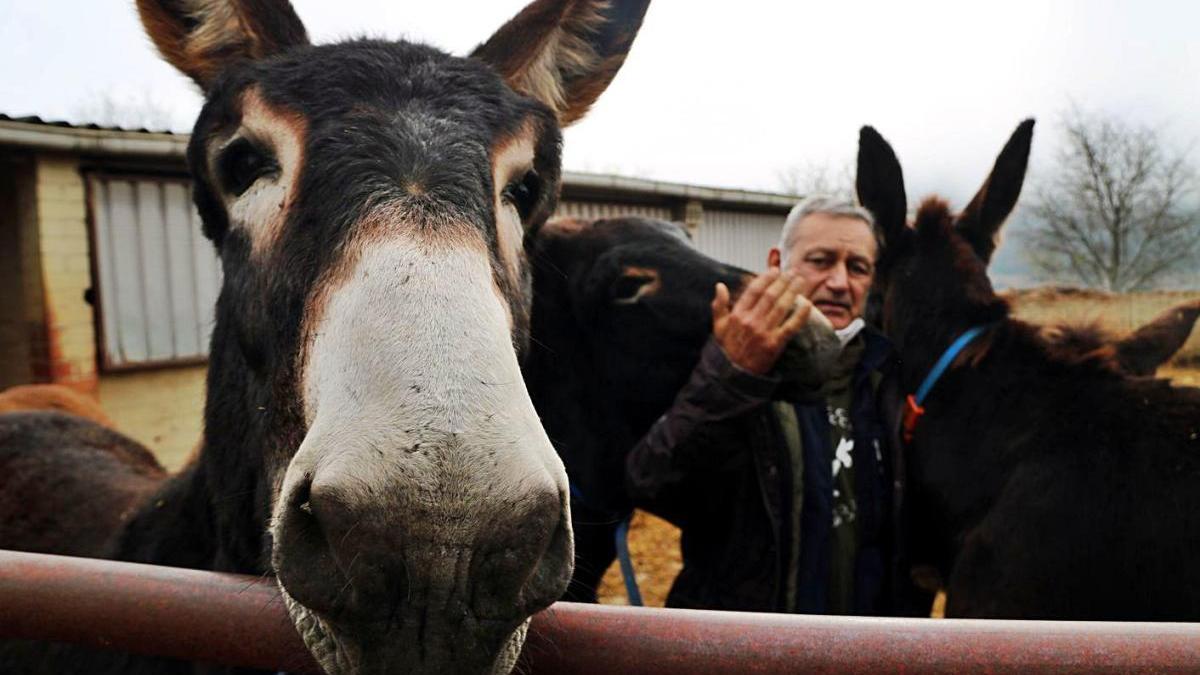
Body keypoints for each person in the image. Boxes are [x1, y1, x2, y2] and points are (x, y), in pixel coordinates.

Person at [625, 195, 928, 615]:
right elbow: (655, 482)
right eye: (820, 261)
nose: (840, 282)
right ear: (775, 264)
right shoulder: (725, 354)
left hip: (869, 648)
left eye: (857, 267)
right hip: (753, 650)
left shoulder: (889, 377)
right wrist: (734, 373)